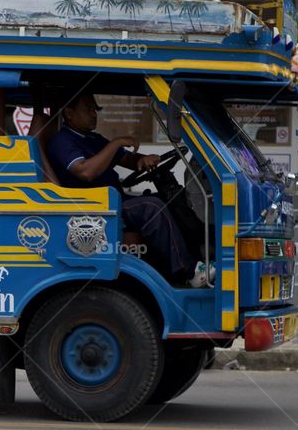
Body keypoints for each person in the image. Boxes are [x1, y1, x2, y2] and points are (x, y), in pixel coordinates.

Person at [47, 92, 213, 288]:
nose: (94, 114)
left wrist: (142, 159)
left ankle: (197, 259)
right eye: (88, 109)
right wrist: (116, 142)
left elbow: (126, 159)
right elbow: (85, 172)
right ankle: (190, 270)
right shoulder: (63, 141)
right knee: (151, 207)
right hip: (94, 211)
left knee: (171, 200)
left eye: (96, 109)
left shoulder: (92, 138)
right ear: (69, 113)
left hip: (113, 202)